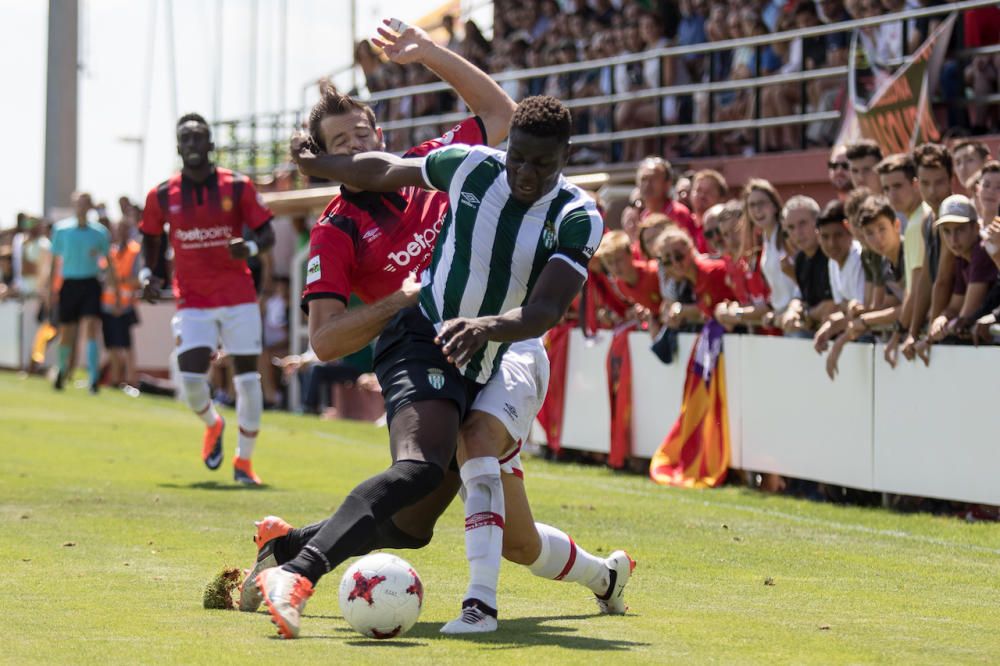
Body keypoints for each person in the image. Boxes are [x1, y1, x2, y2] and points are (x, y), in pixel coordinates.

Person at [257, 36, 629, 640]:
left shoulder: (472, 167)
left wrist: (426, 49)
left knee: (441, 522)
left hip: (508, 343)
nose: (356, 147)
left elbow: (502, 114)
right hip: (423, 337)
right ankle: (305, 568)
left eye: (361, 134)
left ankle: (298, 550)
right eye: (338, 144)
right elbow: (323, 343)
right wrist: (402, 298)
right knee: (431, 480)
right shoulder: (337, 229)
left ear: (380, 131)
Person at [139, 113, 275, 485]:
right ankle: (213, 424)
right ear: (178, 146)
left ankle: (244, 463)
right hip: (193, 301)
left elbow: (267, 235)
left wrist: (247, 246)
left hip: (238, 297)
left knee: (248, 380)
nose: (194, 144)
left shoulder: (238, 186)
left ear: (211, 144)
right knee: (190, 379)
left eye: (200, 138)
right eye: (186, 138)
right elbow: (149, 240)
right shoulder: (162, 194)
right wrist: (147, 273)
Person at [49, 192, 115, 393]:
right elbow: (54, 262)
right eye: (79, 204)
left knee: (91, 328)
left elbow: (109, 262)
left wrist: (115, 289)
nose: (82, 207)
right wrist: (50, 290)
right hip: (69, 284)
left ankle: (93, 378)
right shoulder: (61, 229)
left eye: (85, 204)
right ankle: (62, 370)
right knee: (67, 332)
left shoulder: (100, 232)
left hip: (90, 283)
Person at [100, 221, 142, 388]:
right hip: (107, 305)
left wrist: (119, 282)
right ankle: (116, 379)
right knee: (112, 345)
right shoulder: (111, 251)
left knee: (126, 346)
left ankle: (131, 380)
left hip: (125, 305)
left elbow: (137, 279)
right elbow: (104, 276)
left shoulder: (135, 251)